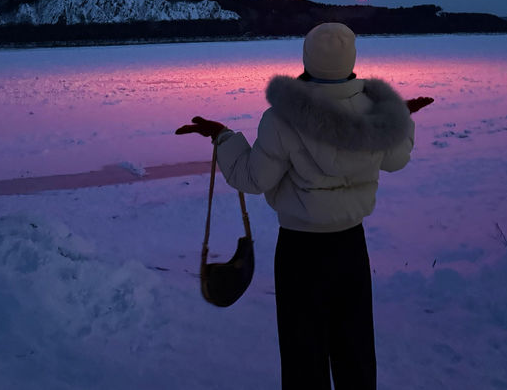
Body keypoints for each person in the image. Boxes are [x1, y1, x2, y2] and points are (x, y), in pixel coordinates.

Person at [176, 22, 433, 390]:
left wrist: (223, 138)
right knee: (355, 351)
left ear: (307, 59)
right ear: (351, 59)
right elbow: (396, 159)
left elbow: (253, 178)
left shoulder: (283, 118)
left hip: (300, 251)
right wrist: (399, 119)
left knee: (303, 354)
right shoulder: (376, 110)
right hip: (351, 247)